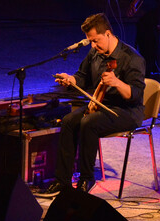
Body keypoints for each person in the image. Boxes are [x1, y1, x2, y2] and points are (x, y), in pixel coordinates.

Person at [45, 13, 146, 195]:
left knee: (88, 123)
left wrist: (117, 83)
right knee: (68, 121)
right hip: (99, 104)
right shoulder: (95, 53)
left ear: (108, 34)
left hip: (126, 111)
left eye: (96, 40)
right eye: (90, 41)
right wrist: (71, 80)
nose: (93, 45)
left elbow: (136, 95)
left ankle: (86, 178)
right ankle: (62, 181)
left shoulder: (132, 58)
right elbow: (82, 77)